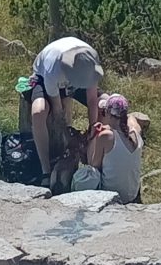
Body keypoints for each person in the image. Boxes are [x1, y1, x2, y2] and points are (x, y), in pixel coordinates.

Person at [28, 35, 102, 189]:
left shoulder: (90, 61)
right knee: (39, 112)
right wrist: (69, 138)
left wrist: (93, 129)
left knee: (106, 104)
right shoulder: (52, 69)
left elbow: (92, 100)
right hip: (43, 78)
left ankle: (98, 163)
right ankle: (46, 170)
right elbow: (58, 111)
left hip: (74, 77)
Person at [85, 92, 145, 202]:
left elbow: (93, 164)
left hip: (111, 196)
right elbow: (132, 119)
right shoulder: (136, 132)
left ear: (107, 113)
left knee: (87, 172)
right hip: (132, 195)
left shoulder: (106, 136)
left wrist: (93, 137)